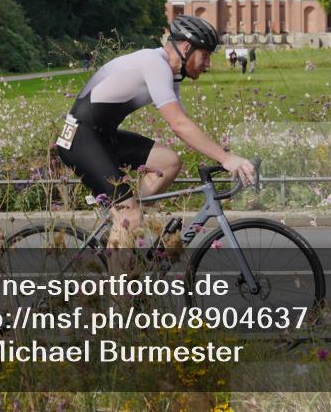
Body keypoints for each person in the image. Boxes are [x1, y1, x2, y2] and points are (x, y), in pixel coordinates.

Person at [55, 15, 256, 250]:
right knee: (129, 214)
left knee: (168, 162)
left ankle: (123, 225)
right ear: (186, 47)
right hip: (80, 139)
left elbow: (185, 124)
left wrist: (223, 156)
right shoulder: (155, 64)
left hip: (101, 136)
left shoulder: (171, 73)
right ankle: (117, 279)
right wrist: (226, 158)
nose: (208, 63)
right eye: (205, 55)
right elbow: (178, 125)